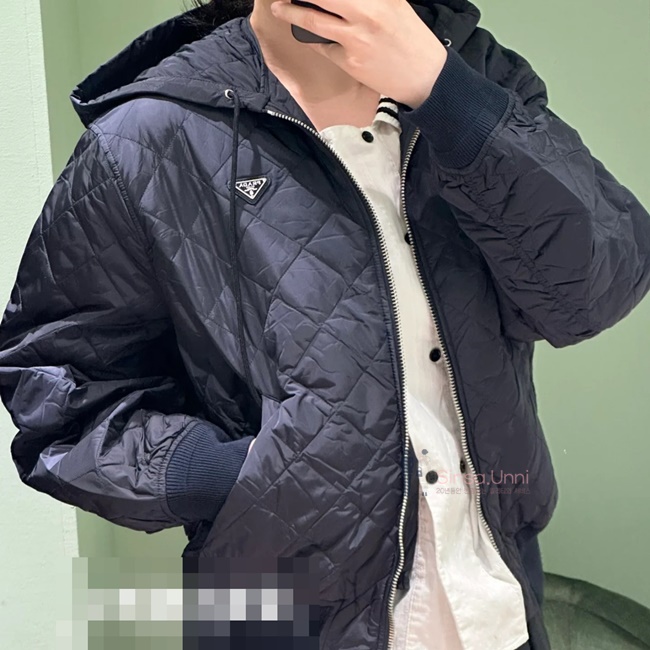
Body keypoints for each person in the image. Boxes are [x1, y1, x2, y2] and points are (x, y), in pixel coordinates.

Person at [0, 0, 648, 648]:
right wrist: (229, 476)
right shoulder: (149, 138)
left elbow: (594, 292)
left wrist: (445, 93)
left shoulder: (483, 79)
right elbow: (58, 390)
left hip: (496, 607)